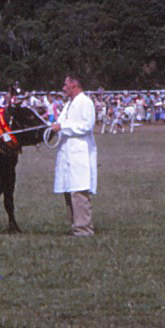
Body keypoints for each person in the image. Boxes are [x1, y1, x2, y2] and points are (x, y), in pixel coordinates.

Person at [47, 73, 98, 237]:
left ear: (74, 85)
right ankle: (75, 226)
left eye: (65, 85)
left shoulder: (85, 102)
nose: (63, 88)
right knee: (68, 190)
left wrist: (62, 127)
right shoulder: (69, 104)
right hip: (67, 152)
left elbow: (86, 126)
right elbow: (58, 124)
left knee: (79, 191)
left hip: (79, 153)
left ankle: (84, 229)